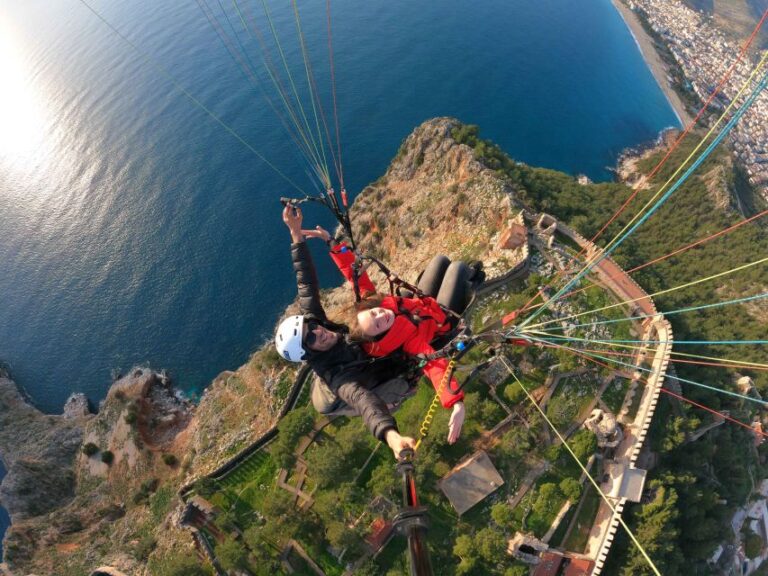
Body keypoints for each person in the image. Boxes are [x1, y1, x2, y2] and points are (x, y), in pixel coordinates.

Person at [301, 225, 485, 445]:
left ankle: (463, 275)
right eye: (379, 324)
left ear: (367, 308)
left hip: (419, 306)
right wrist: (456, 402)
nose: (382, 315)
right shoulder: (408, 341)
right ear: (381, 335)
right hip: (441, 321)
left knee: (439, 260)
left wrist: (332, 243)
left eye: (375, 313)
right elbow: (434, 366)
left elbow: (354, 274)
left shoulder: (371, 304)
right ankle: (473, 277)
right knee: (457, 268)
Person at [274, 204, 416, 459]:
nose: (319, 331)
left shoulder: (317, 325)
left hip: (370, 352)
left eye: (313, 326)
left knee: (404, 302)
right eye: (311, 337)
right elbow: (364, 402)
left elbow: (306, 283)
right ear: (308, 353)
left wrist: (295, 234)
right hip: (381, 373)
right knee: (406, 365)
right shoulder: (337, 377)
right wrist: (391, 437)